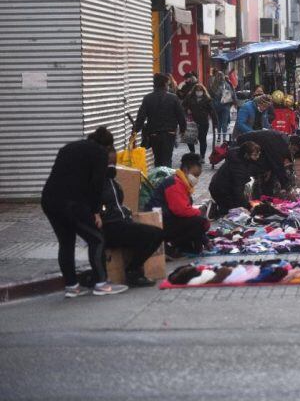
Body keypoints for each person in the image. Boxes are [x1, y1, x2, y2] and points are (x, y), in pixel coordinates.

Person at [41, 127, 128, 297]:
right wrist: (96, 212)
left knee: (66, 242)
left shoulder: (68, 148)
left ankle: (72, 287)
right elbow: (96, 185)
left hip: (49, 200)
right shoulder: (100, 153)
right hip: (71, 203)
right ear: (108, 146)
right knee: (97, 238)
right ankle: (101, 284)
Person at [101, 149, 164, 287]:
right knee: (153, 234)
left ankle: (134, 268)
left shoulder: (112, 181)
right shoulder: (97, 182)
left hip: (121, 222)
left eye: (114, 162)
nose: (112, 165)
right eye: (109, 162)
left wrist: (126, 211)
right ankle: (133, 271)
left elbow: (117, 204)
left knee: (157, 233)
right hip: (110, 226)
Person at [145, 153, 210, 255]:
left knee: (198, 224)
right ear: (185, 170)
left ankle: (185, 247)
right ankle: (172, 246)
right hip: (159, 223)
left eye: (198, 176)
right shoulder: (174, 183)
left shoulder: (183, 183)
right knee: (201, 222)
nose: (196, 179)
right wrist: (199, 212)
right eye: (194, 175)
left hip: (168, 219)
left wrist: (205, 240)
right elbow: (181, 210)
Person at [133, 73, 187, 168]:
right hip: (169, 133)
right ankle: (166, 180)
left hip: (154, 134)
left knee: (158, 159)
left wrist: (135, 130)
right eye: (168, 83)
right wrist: (183, 129)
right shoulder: (173, 98)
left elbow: (141, 117)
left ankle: (159, 179)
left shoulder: (148, 98)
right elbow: (181, 116)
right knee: (167, 159)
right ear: (165, 84)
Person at [236, 130, 300, 197]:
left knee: (266, 173)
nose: (293, 152)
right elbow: (278, 166)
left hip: (250, 147)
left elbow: (272, 159)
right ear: (290, 144)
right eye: (294, 150)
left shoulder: (282, 140)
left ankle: (265, 196)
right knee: (249, 176)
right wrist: (288, 187)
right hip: (242, 146)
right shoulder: (279, 144)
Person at [208, 141, 262, 215]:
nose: (257, 157)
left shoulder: (239, 155)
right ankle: (216, 212)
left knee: (237, 207)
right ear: (246, 155)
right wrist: (248, 206)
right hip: (220, 190)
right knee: (233, 211)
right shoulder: (238, 166)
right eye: (255, 155)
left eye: (258, 154)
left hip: (221, 186)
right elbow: (238, 190)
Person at [183, 84, 217, 160]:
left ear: (203, 91)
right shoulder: (189, 98)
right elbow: (182, 106)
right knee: (190, 139)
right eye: (197, 90)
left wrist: (215, 122)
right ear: (194, 91)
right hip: (192, 122)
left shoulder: (207, 99)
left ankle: (202, 156)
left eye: (200, 90)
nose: (199, 92)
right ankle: (192, 153)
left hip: (203, 122)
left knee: (202, 139)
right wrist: (187, 110)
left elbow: (212, 111)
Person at [209, 70, 236, 140]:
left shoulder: (224, 84)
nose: (220, 77)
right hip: (221, 106)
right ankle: (220, 136)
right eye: (219, 76)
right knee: (221, 122)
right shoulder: (223, 85)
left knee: (222, 122)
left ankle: (221, 137)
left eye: (221, 76)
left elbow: (232, 93)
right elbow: (232, 94)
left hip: (222, 105)